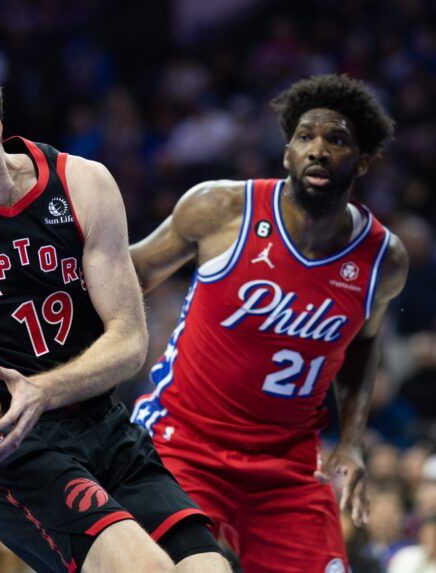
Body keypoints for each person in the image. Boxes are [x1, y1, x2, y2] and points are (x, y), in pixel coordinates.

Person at [0, 51, 230, 573]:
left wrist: (46, 389)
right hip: (11, 447)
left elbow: (128, 340)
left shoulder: (82, 185)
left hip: (106, 425)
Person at [130, 74, 409, 572]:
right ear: (287, 153)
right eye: (305, 138)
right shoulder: (221, 210)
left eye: (337, 140)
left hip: (289, 466)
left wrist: (350, 442)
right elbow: (133, 271)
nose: (318, 150)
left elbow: (364, 344)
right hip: (184, 444)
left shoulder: (383, 259)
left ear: (363, 162)